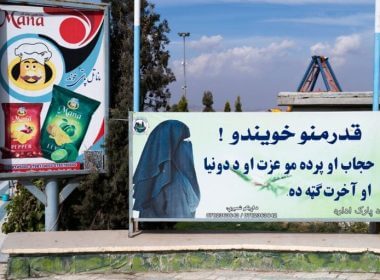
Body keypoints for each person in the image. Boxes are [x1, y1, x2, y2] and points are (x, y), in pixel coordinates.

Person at [133, 120, 200, 218]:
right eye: (182, 142)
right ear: (169, 147)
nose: (188, 144)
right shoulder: (171, 183)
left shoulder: (178, 175)